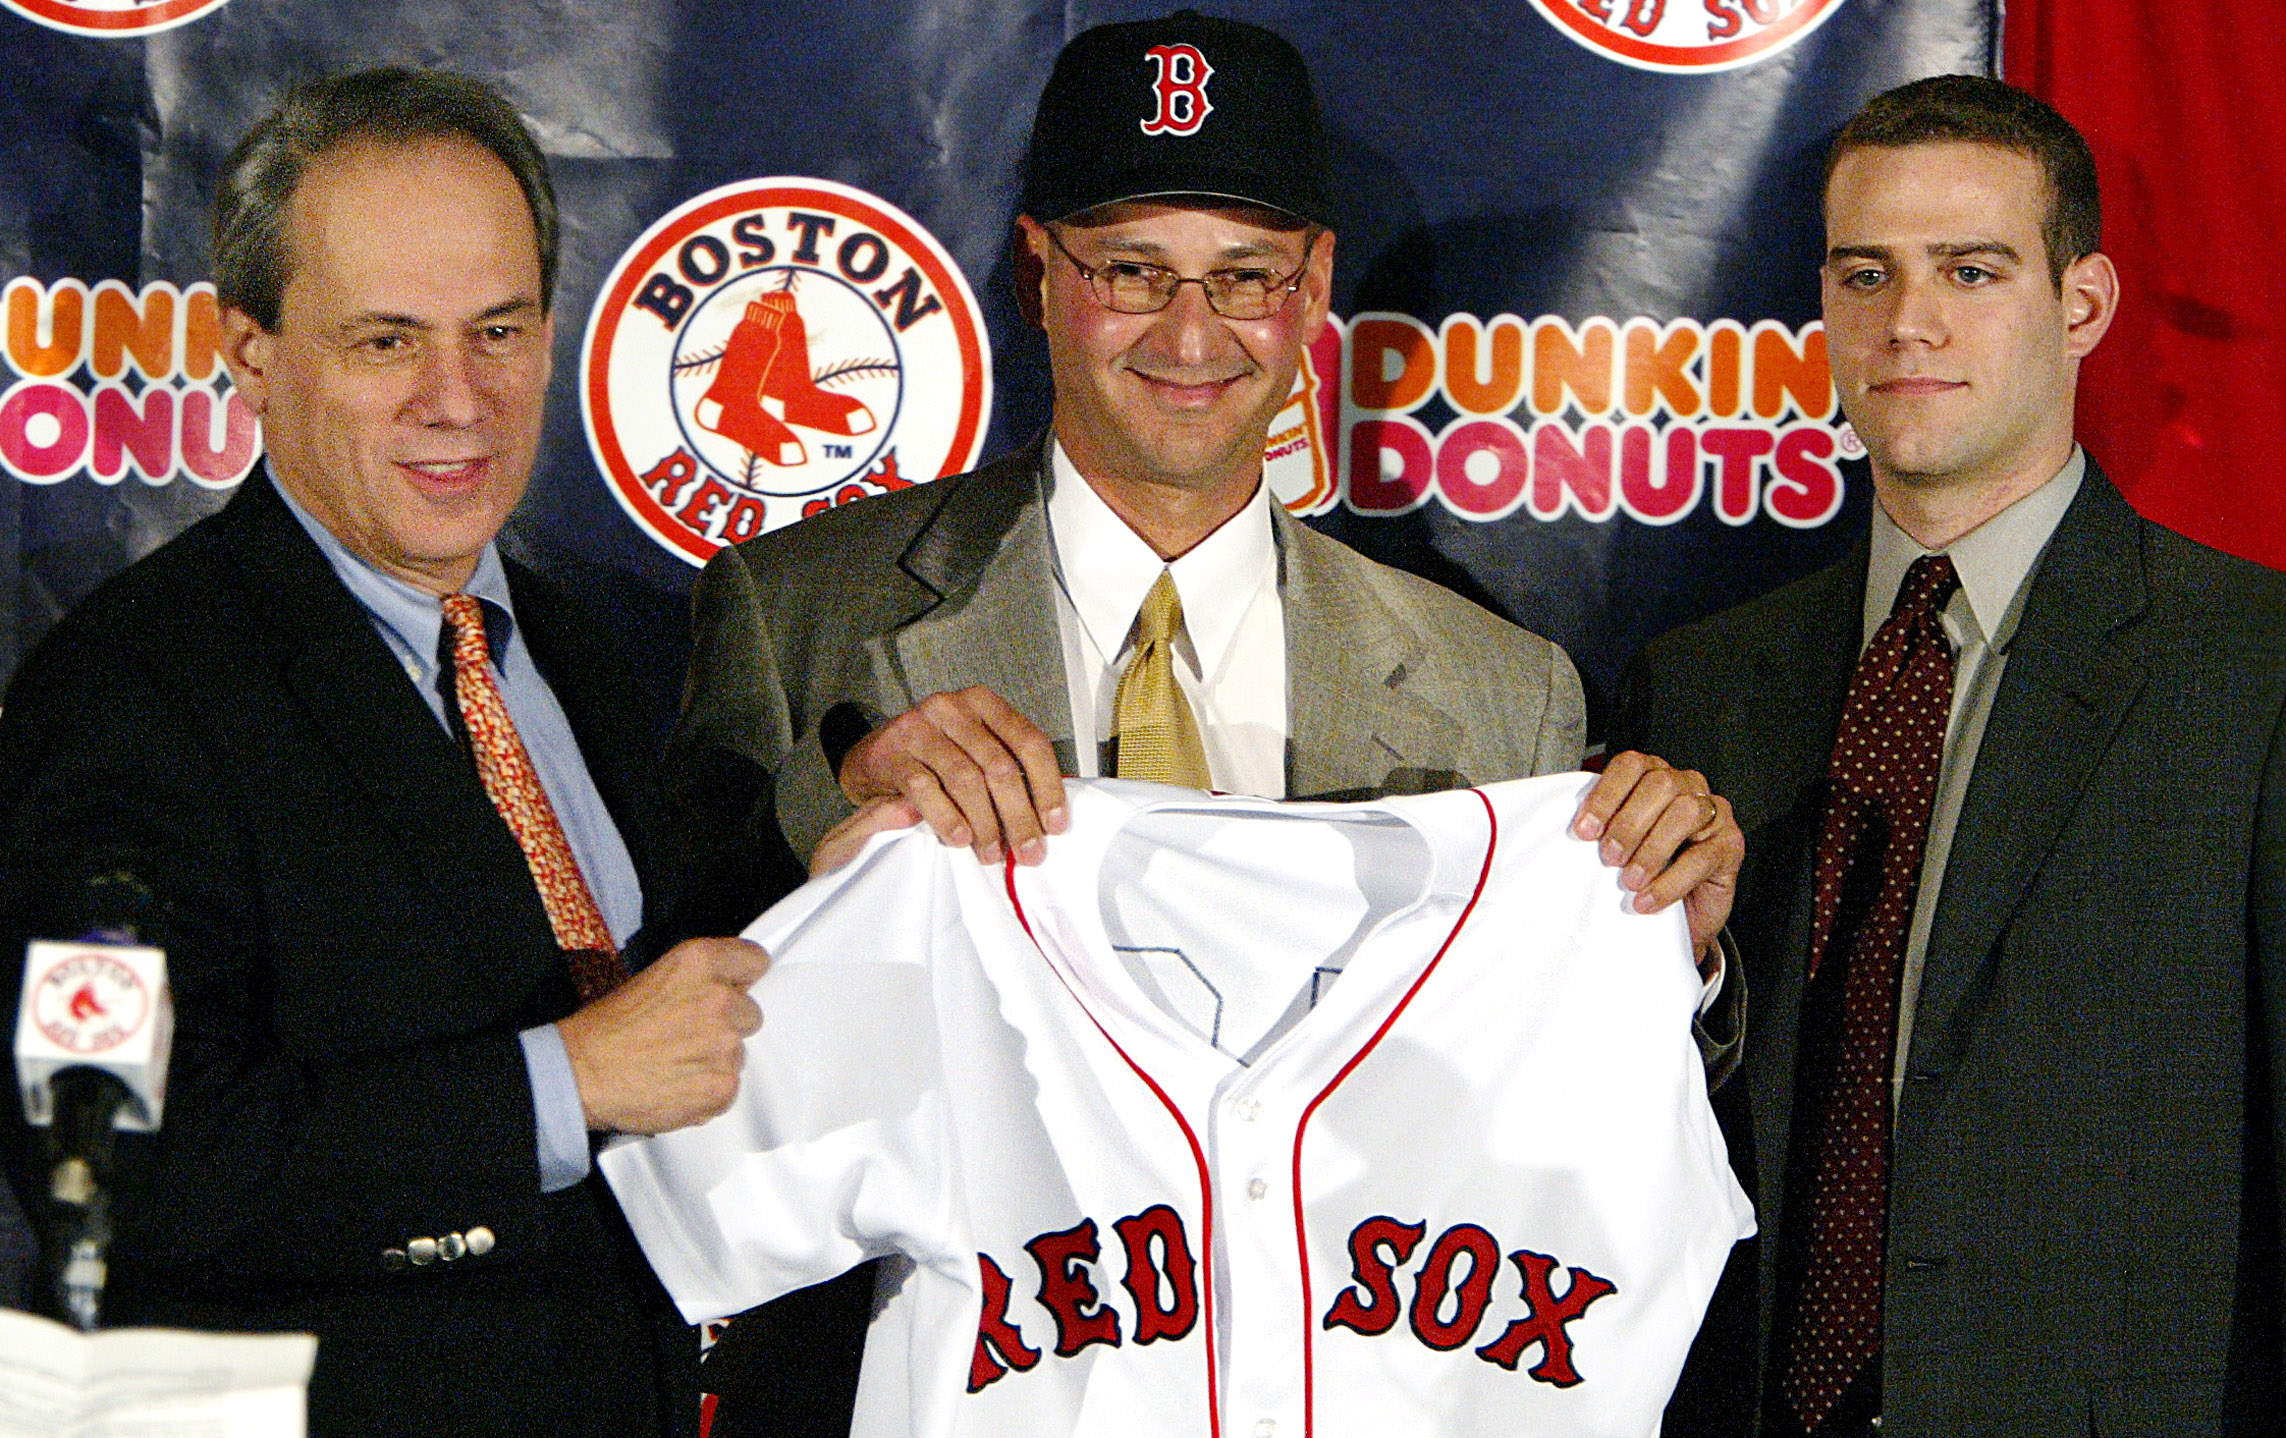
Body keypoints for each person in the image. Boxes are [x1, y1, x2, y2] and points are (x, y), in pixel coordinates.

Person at [669, 12, 1748, 1435]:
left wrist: (1675, 949)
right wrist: (834, 832)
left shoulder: (1502, 685)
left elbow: (1571, 1123)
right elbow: (665, 1037)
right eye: (1132, 272)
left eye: (1242, 277)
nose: (1191, 334)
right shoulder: (798, 613)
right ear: (1040, 273)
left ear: (1310, 291)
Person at [0, 69, 786, 1437]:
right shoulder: (124, 695)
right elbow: (105, 1161)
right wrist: (567, 1081)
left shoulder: (595, 655)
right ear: (249, 354)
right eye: (384, 342)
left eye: (498, 328)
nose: (457, 398)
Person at [1618, 75, 2286, 1436]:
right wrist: (1674, 977)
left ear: (2081, 304)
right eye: (1864, 273)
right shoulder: (1699, 681)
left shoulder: (2252, 667)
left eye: (1968, 270)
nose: (1906, 322)